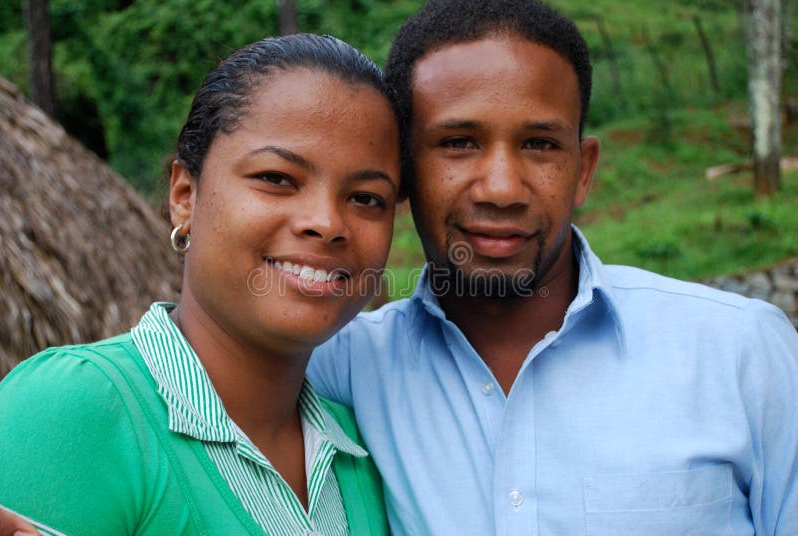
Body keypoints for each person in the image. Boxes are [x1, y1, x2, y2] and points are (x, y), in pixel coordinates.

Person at [306, 0, 798, 534]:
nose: (500, 188)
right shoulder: (339, 368)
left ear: (583, 170)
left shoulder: (739, 353)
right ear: (401, 171)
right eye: (458, 143)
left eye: (539, 145)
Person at [0, 33, 400, 535]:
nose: (326, 221)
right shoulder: (73, 412)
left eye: (367, 198)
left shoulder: (363, 455)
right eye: (277, 178)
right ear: (185, 196)